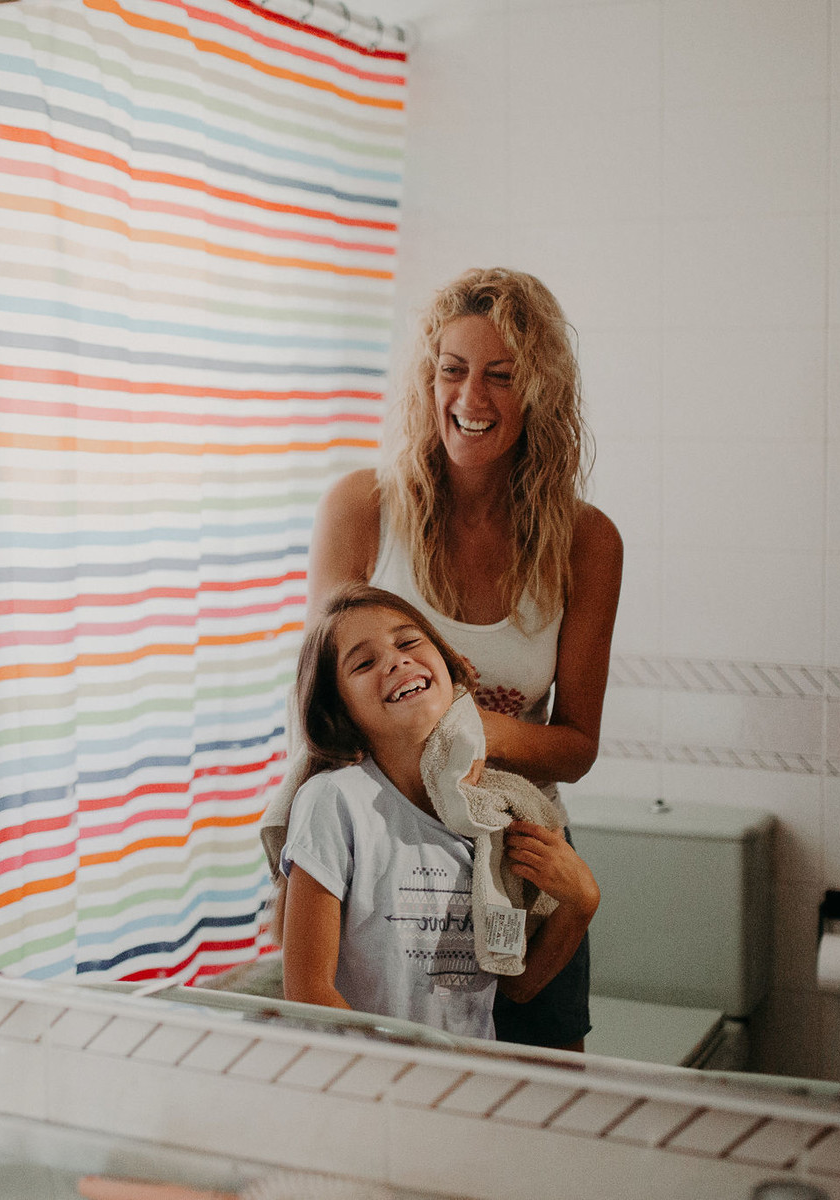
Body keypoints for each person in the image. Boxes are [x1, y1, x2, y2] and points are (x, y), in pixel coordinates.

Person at [304, 267, 622, 1050]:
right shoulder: (363, 510)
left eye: (501, 377)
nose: (470, 400)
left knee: (535, 1118)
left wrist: (454, 727)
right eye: (453, 370)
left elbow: (576, 745)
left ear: (539, 392)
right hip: (379, 856)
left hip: (521, 859)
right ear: (428, 378)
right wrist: (308, 871)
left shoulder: (587, 542)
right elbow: (323, 709)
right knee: (389, 1102)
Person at [279, 585, 598, 1039]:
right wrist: (398, 1073)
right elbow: (308, 992)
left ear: (452, 670)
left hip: (463, 1088)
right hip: (372, 1087)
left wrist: (581, 903)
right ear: (338, 712)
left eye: (408, 642)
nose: (396, 660)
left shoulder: (490, 819)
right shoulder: (335, 802)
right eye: (364, 663)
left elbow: (518, 984)